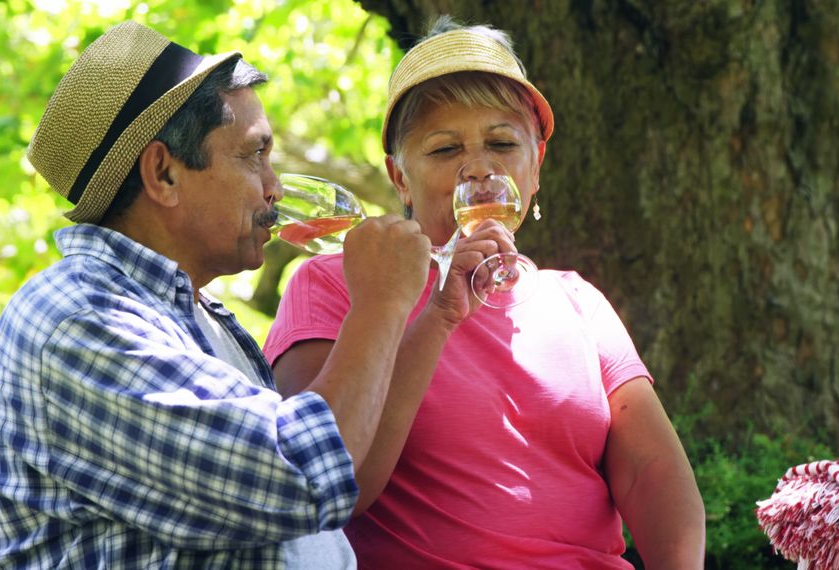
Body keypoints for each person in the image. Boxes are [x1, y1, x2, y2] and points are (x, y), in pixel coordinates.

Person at [0, 21, 431, 568]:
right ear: (163, 173)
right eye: (254, 154)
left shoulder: (189, 312)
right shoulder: (78, 316)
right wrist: (379, 304)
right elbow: (302, 472)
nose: (276, 187)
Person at [263, 16, 706, 569]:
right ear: (400, 177)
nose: (478, 167)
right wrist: (441, 314)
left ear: (536, 166)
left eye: (501, 142)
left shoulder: (577, 302)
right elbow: (324, 486)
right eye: (445, 150)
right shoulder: (335, 285)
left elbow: (651, 475)